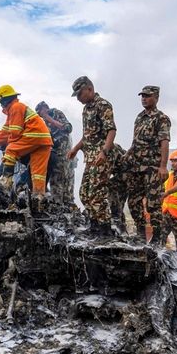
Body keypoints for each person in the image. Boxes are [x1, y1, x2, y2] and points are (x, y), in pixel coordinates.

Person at [0, 85, 52, 197]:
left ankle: (6, 182)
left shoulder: (15, 107)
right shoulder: (16, 109)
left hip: (34, 135)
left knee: (11, 150)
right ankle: (38, 198)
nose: (0, 105)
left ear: (5, 99)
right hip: (44, 141)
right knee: (38, 173)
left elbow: (15, 133)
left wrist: (7, 145)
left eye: (0, 102)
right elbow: (3, 133)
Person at [66, 76, 117, 237]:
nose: (79, 98)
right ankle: (95, 225)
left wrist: (104, 152)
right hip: (90, 158)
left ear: (89, 89)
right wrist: (75, 149)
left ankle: (105, 229)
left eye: (80, 94)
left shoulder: (102, 105)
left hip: (101, 157)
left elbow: (111, 130)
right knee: (84, 193)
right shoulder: (86, 109)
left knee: (97, 194)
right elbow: (87, 136)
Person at [121, 85, 170, 244]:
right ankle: (141, 233)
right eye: (142, 95)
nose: (144, 98)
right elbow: (135, 142)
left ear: (156, 97)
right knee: (133, 201)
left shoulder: (161, 118)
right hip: (136, 167)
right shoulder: (139, 117)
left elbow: (164, 142)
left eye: (147, 96)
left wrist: (163, 166)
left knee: (153, 204)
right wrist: (126, 155)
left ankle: (156, 239)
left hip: (152, 168)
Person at [35, 101, 75, 207]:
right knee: (56, 181)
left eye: (41, 112)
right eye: (39, 114)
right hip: (55, 155)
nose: (41, 116)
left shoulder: (56, 113)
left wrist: (49, 119)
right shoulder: (43, 123)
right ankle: (58, 206)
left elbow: (68, 128)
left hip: (65, 154)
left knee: (66, 182)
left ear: (45, 108)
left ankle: (67, 206)